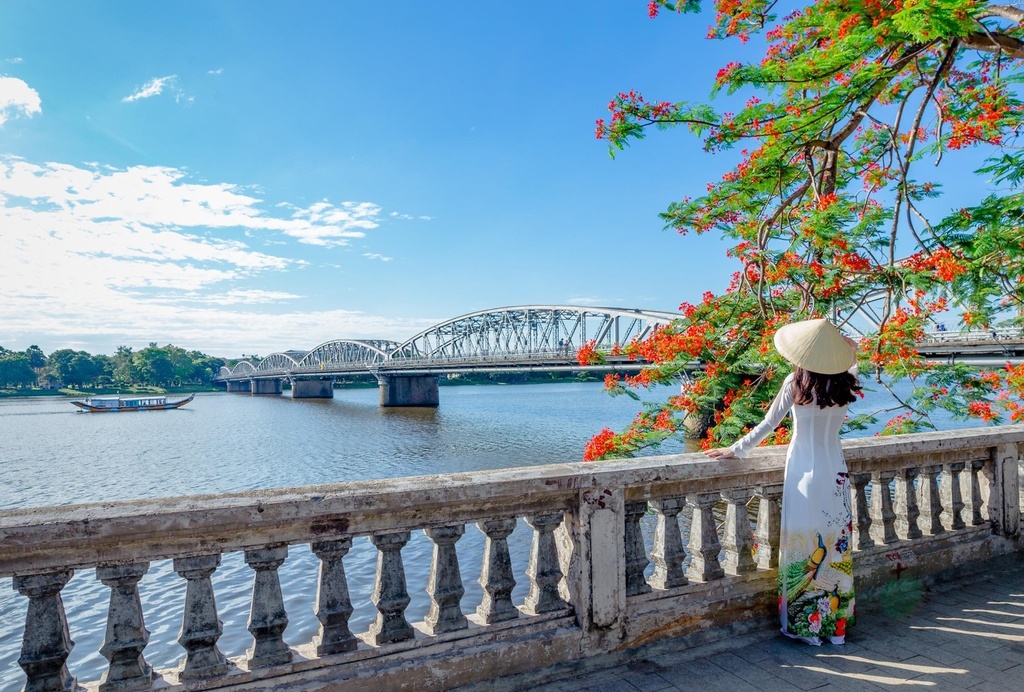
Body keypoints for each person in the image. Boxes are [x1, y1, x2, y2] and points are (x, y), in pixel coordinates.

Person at [705, 319, 860, 646]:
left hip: (803, 472)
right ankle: (836, 628)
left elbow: (769, 423)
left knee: (804, 548)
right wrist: (851, 349)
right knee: (835, 545)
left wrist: (735, 450)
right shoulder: (846, 381)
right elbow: (854, 361)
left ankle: (808, 628)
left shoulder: (796, 382)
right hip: (836, 472)